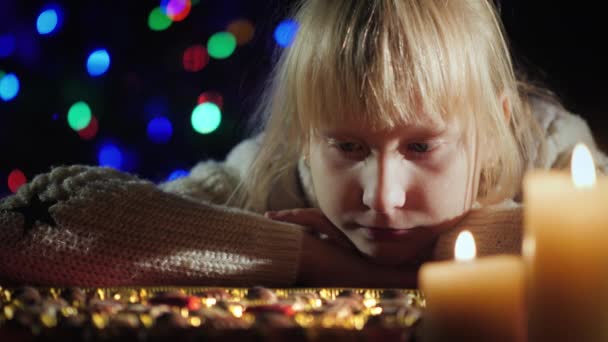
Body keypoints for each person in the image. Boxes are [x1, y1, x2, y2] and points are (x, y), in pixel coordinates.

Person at [0, 0, 606, 288]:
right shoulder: (280, 174)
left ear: (493, 125)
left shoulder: (545, 148)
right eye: (346, 145)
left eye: (421, 148)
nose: (382, 198)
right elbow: (28, 227)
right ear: (306, 133)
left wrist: (453, 247)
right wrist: (308, 257)